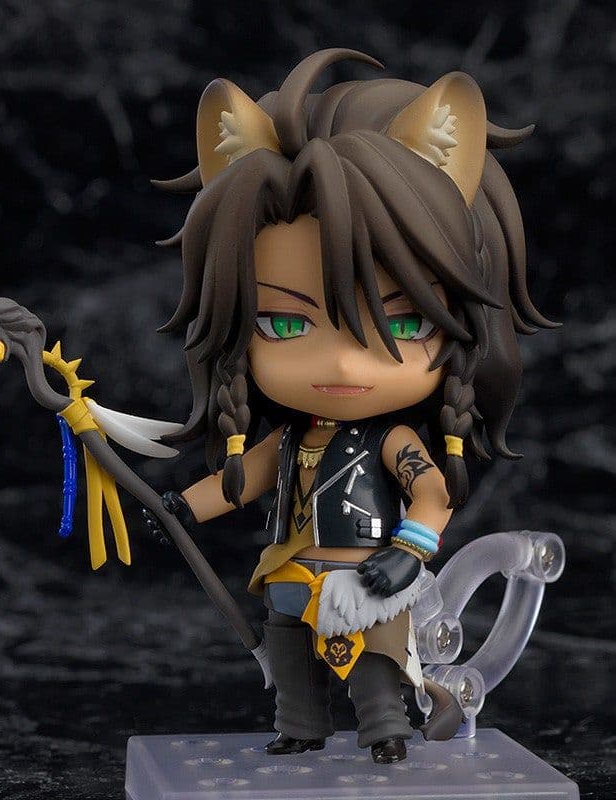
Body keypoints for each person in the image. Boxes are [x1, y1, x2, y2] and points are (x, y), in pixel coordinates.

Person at [142, 47, 555, 764]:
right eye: (284, 324)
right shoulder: (289, 438)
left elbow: (431, 496)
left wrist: (406, 556)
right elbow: (247, 479)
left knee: (375, 667)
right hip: (290, 573)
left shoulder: (392, 440)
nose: (340, 363)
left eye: (403, 324)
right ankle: (300, 727)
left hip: (367, 578)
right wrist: (182, 507)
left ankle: (385, 732)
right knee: (290, 661)